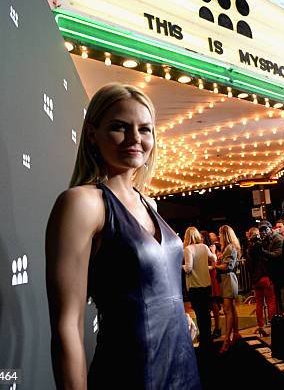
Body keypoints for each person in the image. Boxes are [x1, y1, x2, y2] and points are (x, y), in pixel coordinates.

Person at [45, 83, 200, 389]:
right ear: (93, 133)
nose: (135, 139)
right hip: (129, 373)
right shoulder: (83, 204)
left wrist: (179, 317)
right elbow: (67, 325)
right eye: (119, 127)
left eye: (145, 129)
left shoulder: (149, 203)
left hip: (183, 367)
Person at [183, 227, 217, 349]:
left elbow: (188, 268)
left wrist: (179, 266)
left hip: (194, 286)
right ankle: (208, 338)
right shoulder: (203, 246)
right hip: (206, 285)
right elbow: (214, 259)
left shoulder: (188, 249)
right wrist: (213, 251)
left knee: (199, 313)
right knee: (206, 313)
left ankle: (203, 340)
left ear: (187, 237)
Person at [215, 225, 242, 353]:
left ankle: (227, 340)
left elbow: (226, 267)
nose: (218, 236)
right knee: (231, 309)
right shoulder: (228, 247)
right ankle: (236, 334)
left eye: (220, 233)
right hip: (227, 280)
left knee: (227, 311)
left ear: (224, 234)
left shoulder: (230, 247)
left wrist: (214, 266)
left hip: (228, 279)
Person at [246, 227, 276, 337]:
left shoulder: (248, 248)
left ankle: (261, 326)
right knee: (271, 302)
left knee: (259, 303)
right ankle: (274, 325)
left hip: (255, 279)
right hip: (264, 277)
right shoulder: (261, 245)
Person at [201, 230, 222, 339]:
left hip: (211, 276)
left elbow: (214, 264)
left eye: (202, 237)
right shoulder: (201, 247)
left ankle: (217, 328)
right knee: (207, 305)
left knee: (213, 303)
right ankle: (208, 330)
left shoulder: (209, 248)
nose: (200, 239)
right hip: (204, 276)